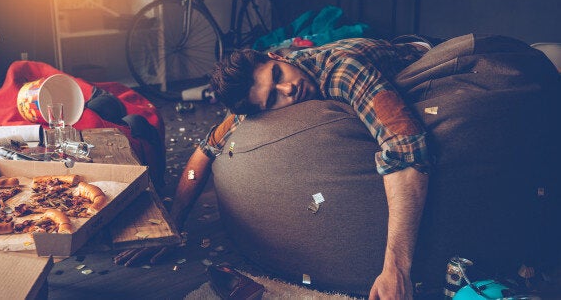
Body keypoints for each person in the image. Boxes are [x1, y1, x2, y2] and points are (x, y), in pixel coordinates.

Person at [115, 37, 434, 299]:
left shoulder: (342, 72)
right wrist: (173, 223)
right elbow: (203, 155)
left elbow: (406, 149)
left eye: (278, 75)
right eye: (271, 100)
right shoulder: (248, 106)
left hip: (417, 50)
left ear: (274, 57)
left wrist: (396, 268)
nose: (288, 90)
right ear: (258, 111)